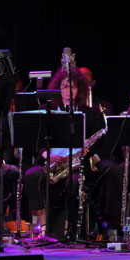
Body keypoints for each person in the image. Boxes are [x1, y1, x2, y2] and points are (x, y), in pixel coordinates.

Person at [23, 66, 109, 239]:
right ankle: (42, 222)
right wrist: (48, 155)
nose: (69, 92)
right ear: (57, 88)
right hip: (52, 162)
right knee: (31, 176)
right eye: (64, 87)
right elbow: (36, 141)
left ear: (80, 89)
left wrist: (88, 151)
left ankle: (69, 228)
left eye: (73, 87)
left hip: (76, 164)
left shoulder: (90, 113)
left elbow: (99, 142)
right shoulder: (47, 110)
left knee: (74, 183)